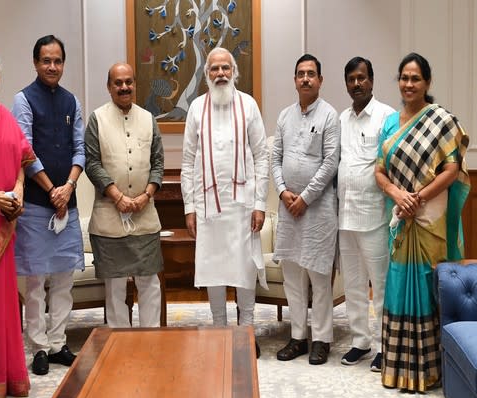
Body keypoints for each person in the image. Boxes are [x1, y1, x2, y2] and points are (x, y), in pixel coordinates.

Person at [375, 53, 470, 392]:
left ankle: (432, 369)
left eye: (416, 78)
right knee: (399, 286)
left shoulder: (442, 120)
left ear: (427, 83)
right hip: (403, 221)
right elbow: (379, 171)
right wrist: (398, 195)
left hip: (431, 221)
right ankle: (399, 366)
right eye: (404, 77)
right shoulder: (390, 123)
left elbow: (452, 170)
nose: (409, 84)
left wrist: (419, 197)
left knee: (432, 290)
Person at [0, 50, 56, 398]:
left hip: (7, 218)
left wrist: (17, 189)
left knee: (4, 300)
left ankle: (8, 376)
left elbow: (23, 158)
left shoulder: (6, 116)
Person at [181, 47, 269, 358]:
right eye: (215, 69)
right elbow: (189, 160)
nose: (220, 74)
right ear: (206, 75)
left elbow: (261, 156)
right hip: (207, 208)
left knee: (244, 267)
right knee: (213, 268)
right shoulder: (196, 109)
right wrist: (189, 207)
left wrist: (260, 203)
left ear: (234, 72)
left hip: (243, 207)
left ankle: (247, 331)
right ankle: (219, 328)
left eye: (225, 68)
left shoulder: (248, 105)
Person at [12, 35, 86, 376]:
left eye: (57, 61)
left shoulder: (72, 101)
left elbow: (80, 150)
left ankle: (58, 343)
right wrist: (52, 190)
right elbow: (25, 151)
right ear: (35, 63)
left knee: (64, 280)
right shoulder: (23, 100)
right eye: (46, 61)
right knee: (35, 282)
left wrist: (68, 187)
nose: (52, 67)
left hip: (65, 204)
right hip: (39, 206)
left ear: (63, 63)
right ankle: (39, 346)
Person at [272, 54, 340, 365]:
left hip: (318, 210)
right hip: (288, 210)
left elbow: (330, 163)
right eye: (301, 73)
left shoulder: (330, 116)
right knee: (292, 276)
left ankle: (322, 339)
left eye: (311, 73)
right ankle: (298, 337)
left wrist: (305, 197)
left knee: (318, 275)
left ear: (320, 80)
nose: (306, 79)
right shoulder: (284, 116)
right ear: (295, 79)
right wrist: (285, 192)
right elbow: (274, 160)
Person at [84, 62, 164, 327]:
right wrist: (117, 196)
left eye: (128, 82)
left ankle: (151, 341)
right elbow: (92, 163)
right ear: (109, 87)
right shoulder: (97, 119)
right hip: (109, 218)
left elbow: (158, 163)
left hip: (144, 216)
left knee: (149, 282)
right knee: (115, 285)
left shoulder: (148, 118)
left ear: (135, 85)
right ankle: (120, 343)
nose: (124, 87)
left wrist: (146, 195)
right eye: (118, 83)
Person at [338, 57, 394, 371]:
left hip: (374, 216)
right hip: (345, 215)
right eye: (351, 79)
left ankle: (386, 345)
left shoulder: (386, 116)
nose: (356, 84)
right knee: (354, 285)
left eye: (361, 78)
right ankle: (360, 341)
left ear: (371, 80)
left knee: (380, 284)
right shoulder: (341, 118)